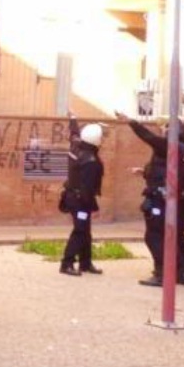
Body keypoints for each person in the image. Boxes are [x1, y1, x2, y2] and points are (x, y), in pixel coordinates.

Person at [114, 111, 184, 286]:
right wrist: (145, 172)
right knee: (172, 236)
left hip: (161, 200)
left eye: (168, 127)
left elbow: (148, 137)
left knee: (155, 236)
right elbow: (169, 173)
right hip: (170, 199)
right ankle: (180, 271)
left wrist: (131, 122)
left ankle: (163, 273)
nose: (164, 129)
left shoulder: (171, 147)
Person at [57, 115, 105, 276]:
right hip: (80, 200)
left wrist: (73, 119)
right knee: (80, 230)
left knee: (85, 230)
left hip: (71, 196)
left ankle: (85, 263)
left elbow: (74, 133)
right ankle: (67, 263)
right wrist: (94, 207)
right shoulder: (91, 161)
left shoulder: (76, 147)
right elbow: (88, 189)